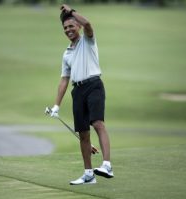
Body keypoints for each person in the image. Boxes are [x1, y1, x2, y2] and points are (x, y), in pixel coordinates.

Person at [46, 4, 114, 185]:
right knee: (83, 134)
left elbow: (89, 23)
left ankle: (107, 165)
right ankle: (88, 174)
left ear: (78, 26)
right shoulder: (66, 53)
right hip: (78, 91)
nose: (68, 30)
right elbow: (63, 80)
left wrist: (71, 12)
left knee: (98, 123)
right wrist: (56, 105)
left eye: (71, 26)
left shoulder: (88, 40)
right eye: (65, 28)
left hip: (94, 85)